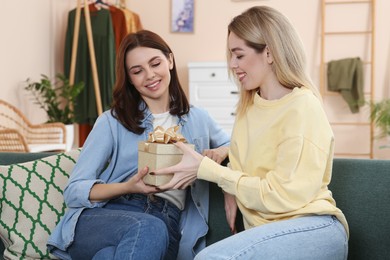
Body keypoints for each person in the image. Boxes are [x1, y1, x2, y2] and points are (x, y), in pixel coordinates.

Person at [153, 6, 349, 260]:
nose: (232, 65)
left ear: (268, 52)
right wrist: (228, 181)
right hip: (268, 232)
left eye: (239, 55)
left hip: (312, 227)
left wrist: (209, 170)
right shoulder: (249, 107)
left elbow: (282, 197)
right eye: (231, 56)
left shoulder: (302, 107)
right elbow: (244, 161)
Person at [47, 30, 230, 260]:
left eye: (155, 63)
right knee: (148, 228)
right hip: (110, 215)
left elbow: (234, 143)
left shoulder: (198, 118)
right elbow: (74, 190)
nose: (150, 75)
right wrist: (129, 187)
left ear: (170, 60)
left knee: (109, 256)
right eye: (137, 71)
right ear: (130, 78)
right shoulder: (112, 121)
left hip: (167, 223)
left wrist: (219, 151)